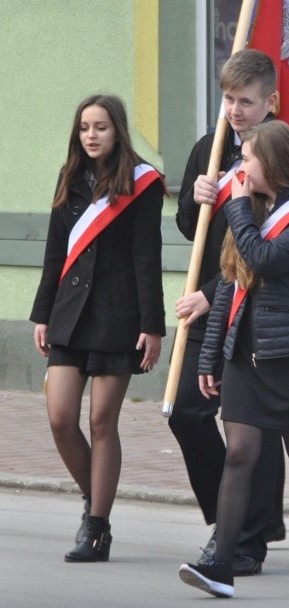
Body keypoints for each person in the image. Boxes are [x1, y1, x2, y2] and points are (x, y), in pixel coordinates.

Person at [178, 121, 289, 597]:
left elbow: (265, 258)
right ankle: (221, 563)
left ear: (270, 164)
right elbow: (232, 280)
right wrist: (210, 356)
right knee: (239, 454)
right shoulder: (253, 207)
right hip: (245, 354)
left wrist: (234, 209)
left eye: (246, 159)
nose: (239, 167)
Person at [172, 48, 289, 576]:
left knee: (253, 424)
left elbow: (281, 243)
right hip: (209, 302)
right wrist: (196, 196)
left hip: (256, 305)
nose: (235, 110)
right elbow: (193, 232)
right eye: (228, 99)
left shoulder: (284, 154)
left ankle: (248, 539)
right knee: (186, 410)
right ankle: (227, 520)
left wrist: (215, 291)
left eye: (246, 101)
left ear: (270, 102)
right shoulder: (207, 149)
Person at [30, 94, 166, 562]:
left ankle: (97, 528)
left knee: (101, 421)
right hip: (70, 314)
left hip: (118, 316)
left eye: (101, 127)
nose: (91, 135)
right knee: (61, 418)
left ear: (117, 130)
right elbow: (54, 254)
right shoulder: (69, 177)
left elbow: (148, 257)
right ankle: (96, 499)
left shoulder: (141, 182)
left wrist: (153, 325)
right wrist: (43, 313)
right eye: (85, 126)